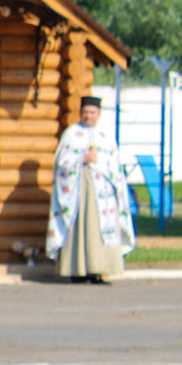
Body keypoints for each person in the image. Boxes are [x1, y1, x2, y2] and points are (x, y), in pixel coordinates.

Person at [48, 94, 135, 283]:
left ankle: (99, 270)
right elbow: (61, 163)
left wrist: (103, 167)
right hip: (78, 190)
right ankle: (77, 270)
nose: (89, 116)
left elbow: (114, 163)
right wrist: (82, 159)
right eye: (85, 112)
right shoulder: (72, 134)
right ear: (80, 113)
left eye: (92, 112)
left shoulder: (106, 135)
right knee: (79, 228)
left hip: (103, 193)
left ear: (99, 114)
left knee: (100, 230)